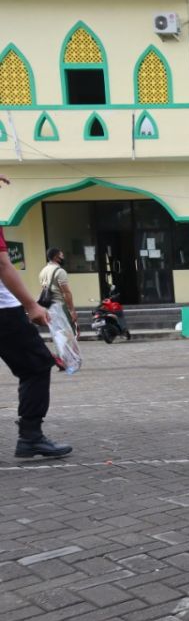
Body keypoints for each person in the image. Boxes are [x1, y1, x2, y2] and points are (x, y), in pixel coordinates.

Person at [0, 176, 72, 458]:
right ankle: (30, 436)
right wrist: (31, 305)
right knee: (36, 366)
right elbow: (3, 265)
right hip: (3, 312)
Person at [39, 248, 78, 369]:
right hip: (59, 306)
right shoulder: (60, 271)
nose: (63, 257)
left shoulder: (43, 271)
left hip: (48, 307)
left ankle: (61, 359)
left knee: (57, 334)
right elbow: (66, 292)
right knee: (67, 333)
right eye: (62, 255)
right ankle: (65, 359)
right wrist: (72, 310)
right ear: (56, 257)